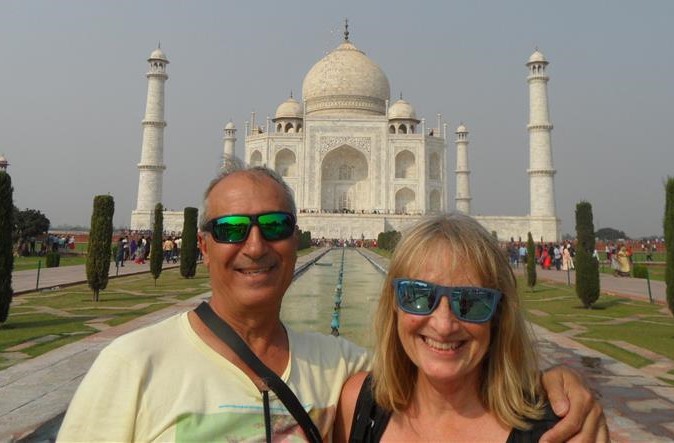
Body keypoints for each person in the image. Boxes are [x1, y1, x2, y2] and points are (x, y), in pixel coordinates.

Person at [58, 166, 604, 441]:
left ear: (296, 239)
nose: (254, 246)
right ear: (203, 244)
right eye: (229, 230)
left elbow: (439, 369)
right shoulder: (133, 364)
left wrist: (554, 382)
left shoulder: (345, 374)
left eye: (274, 227)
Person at [335, 214, 608, 442]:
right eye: (418, 296)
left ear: (499, 313)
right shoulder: (359, 406)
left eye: (471, 302)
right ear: (393, 304)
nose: (443, 325)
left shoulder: (556, 431)